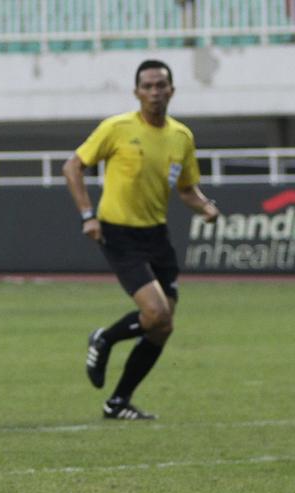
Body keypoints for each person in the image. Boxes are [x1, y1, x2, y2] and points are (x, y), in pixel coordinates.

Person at [62, 59, 219, 420]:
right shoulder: (117, 128)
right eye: (147, 86)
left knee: (163, 326)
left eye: (160, 85)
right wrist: (88, 215)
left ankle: (117, 402)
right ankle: (105, 338)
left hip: (156, 234)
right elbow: (73, 166)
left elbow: (188, 189)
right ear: (137, 92)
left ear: (171, 90)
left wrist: (206, 207)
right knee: (156, 312)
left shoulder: (181, 136)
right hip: (118, 232)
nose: (154, 92)